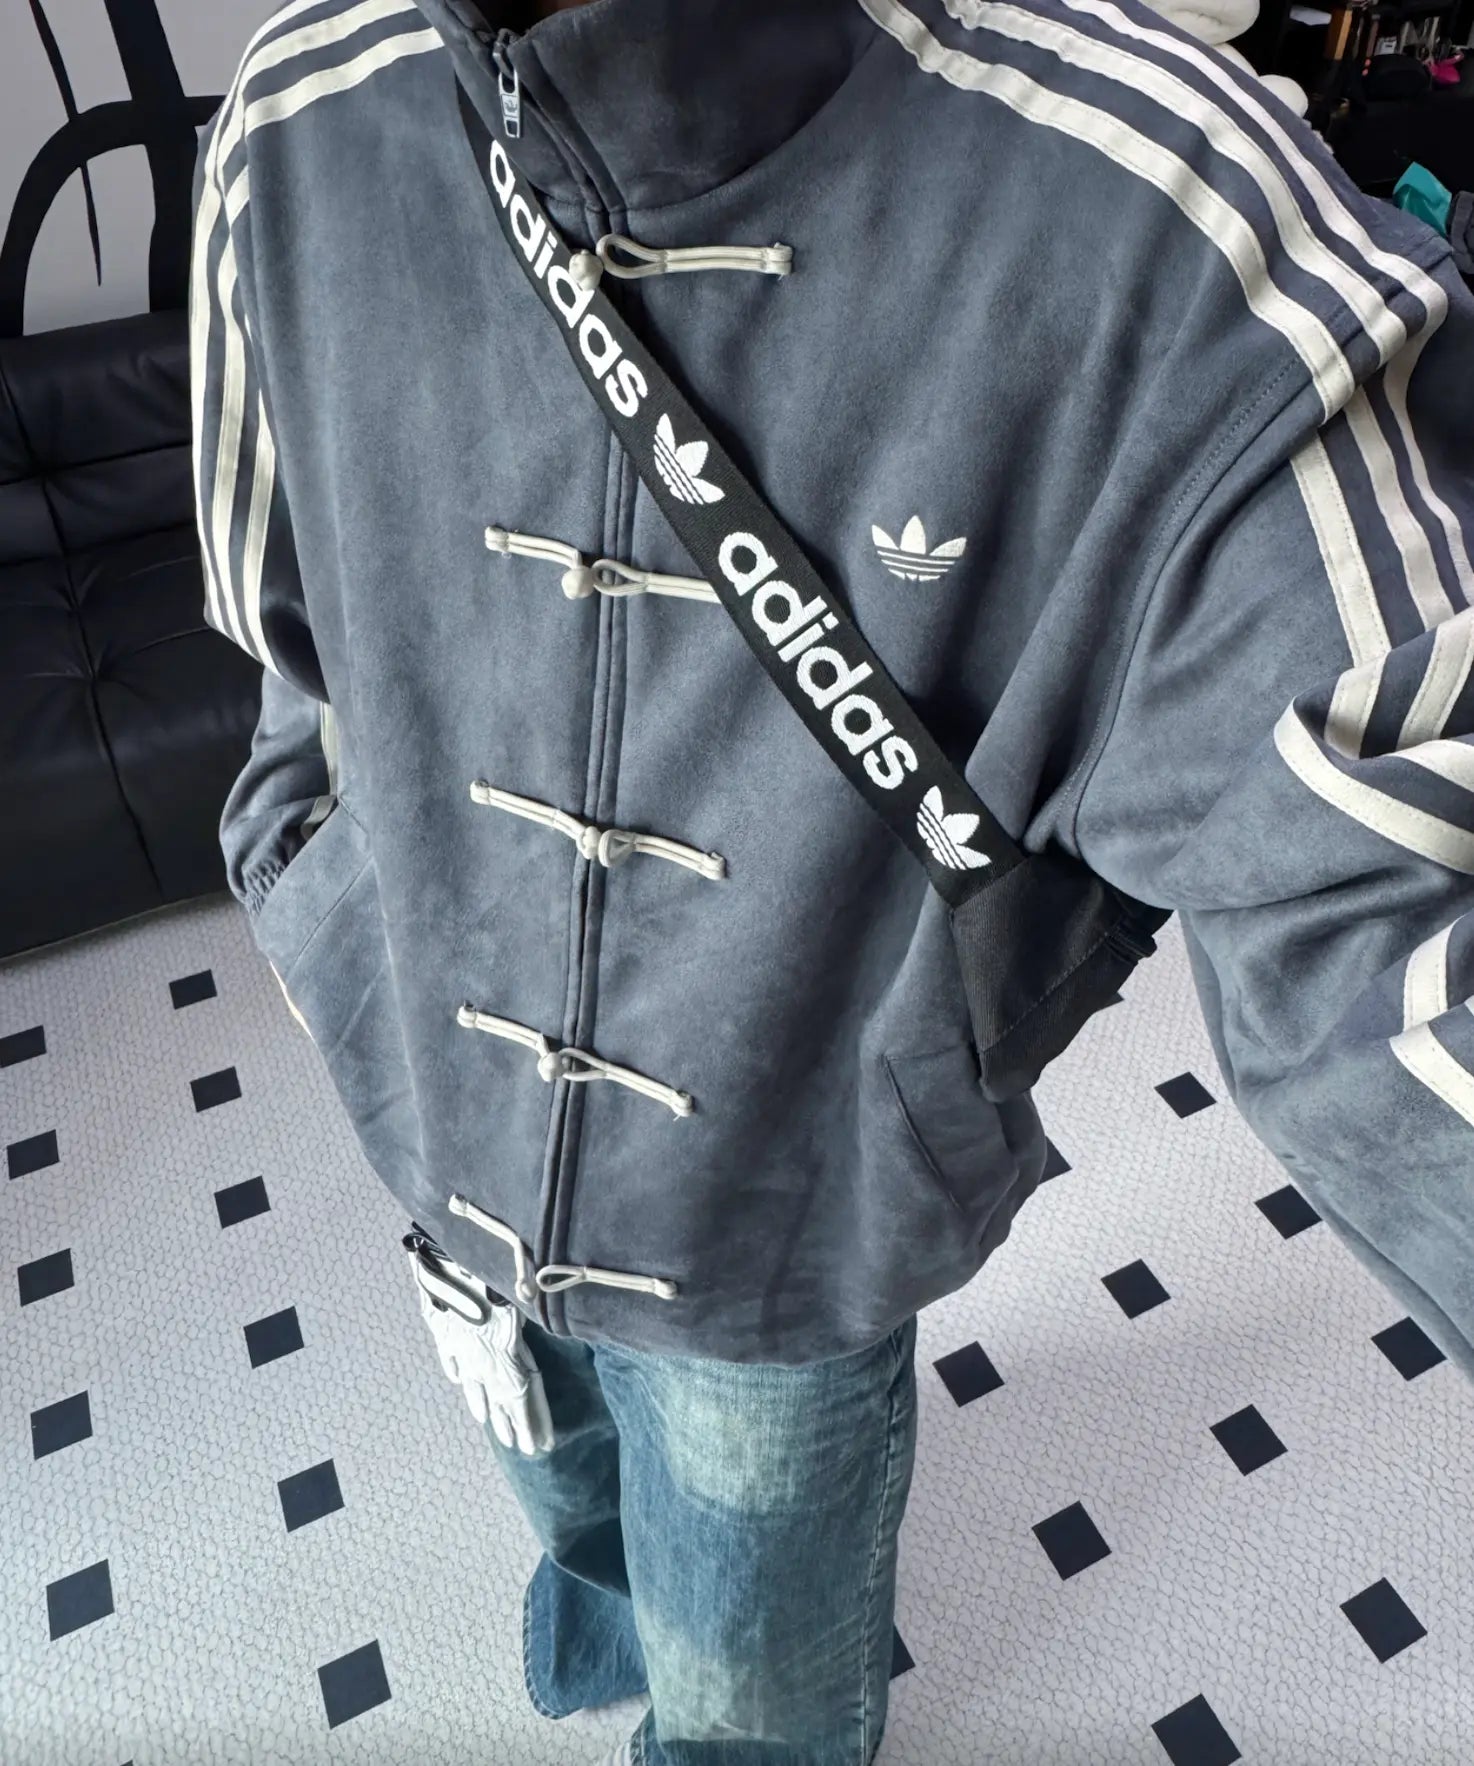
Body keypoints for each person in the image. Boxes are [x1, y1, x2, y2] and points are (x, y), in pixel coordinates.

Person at [189, 0, 1474, 1760]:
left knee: (752, 1700)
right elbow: (281, 624)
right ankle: (602, 1599)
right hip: (432, 1122)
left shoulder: (1166, 211)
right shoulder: (293, 110)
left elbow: (1395, 877)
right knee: (567, 1493)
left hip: (781, 1213)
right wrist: (326, 921)